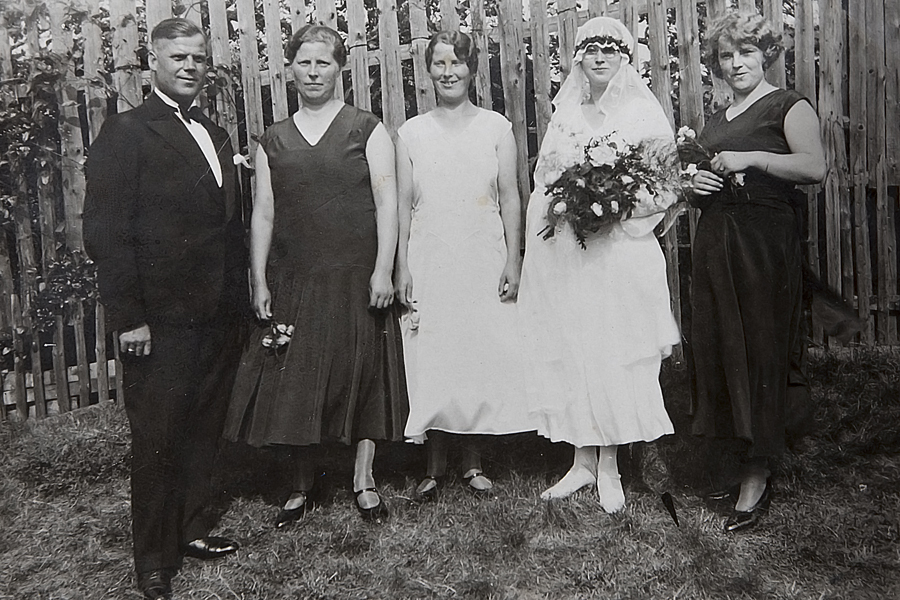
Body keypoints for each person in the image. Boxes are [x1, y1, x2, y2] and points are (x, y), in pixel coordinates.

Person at [83, 18, 246, 600]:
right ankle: (153, 558)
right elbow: (106, 234)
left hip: (218, 314)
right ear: (154, 61)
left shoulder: (213, 132)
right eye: (178, 57)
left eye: (199, 58)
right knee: (156, 437)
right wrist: (129, 317)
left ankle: (194, 527)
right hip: (160, 320)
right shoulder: (126, 133)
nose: (189, 67)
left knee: (204, 427)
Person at [223, 25, 407, 526]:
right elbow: (262, 212)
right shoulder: (272, 141)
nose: (313, 72)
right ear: (289, 70)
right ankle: (300, 484)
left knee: (361, 373)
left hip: (354, 274)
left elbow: (388, 202)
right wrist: (259, 279)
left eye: (323, 62)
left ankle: (363, 480)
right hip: (295, 277)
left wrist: (383, 269)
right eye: (304, 63)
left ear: (340, 68)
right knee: (293, 378)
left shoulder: (365, 128)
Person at [517, 17, 681, 513]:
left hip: (620, 252)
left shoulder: (641, 114)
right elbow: (545, 181)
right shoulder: (567, 113)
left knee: (613, 348)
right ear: (578, 59)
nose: (601, 57)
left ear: (626, 58)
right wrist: (570, 211)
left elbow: (667, 185)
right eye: (591, 49)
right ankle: (580, 461)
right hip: (570, 252)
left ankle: (609, 465)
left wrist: (613, 211)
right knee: (574, 347)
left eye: (611, 49)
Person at [688, 10, 826, 532]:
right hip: (717, 243)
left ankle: (758, 470)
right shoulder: (718, 118)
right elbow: (709, 177)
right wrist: (695, 186)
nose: (735, 63)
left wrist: (751, 158)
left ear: (766, 54)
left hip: (764, 247)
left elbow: (814, 167)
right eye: (726, 55)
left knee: (763, 347)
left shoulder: (788, 105)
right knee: (721, 346)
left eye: (746, 52)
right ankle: (736, 456)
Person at [394, 31, 533, 500]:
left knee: (476, 348)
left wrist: (514, 259)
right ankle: (433, 462)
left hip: (481, 250)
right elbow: (402, 205)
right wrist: (401, 266)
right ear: (428, 70)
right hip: (430, 253)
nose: (448, 72)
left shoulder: (495, 127)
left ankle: (472, 460)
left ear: (472, 69)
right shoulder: (411, 133)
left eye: (457, 63)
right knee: (433, 350)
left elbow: (511, 197)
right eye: (439, 63)